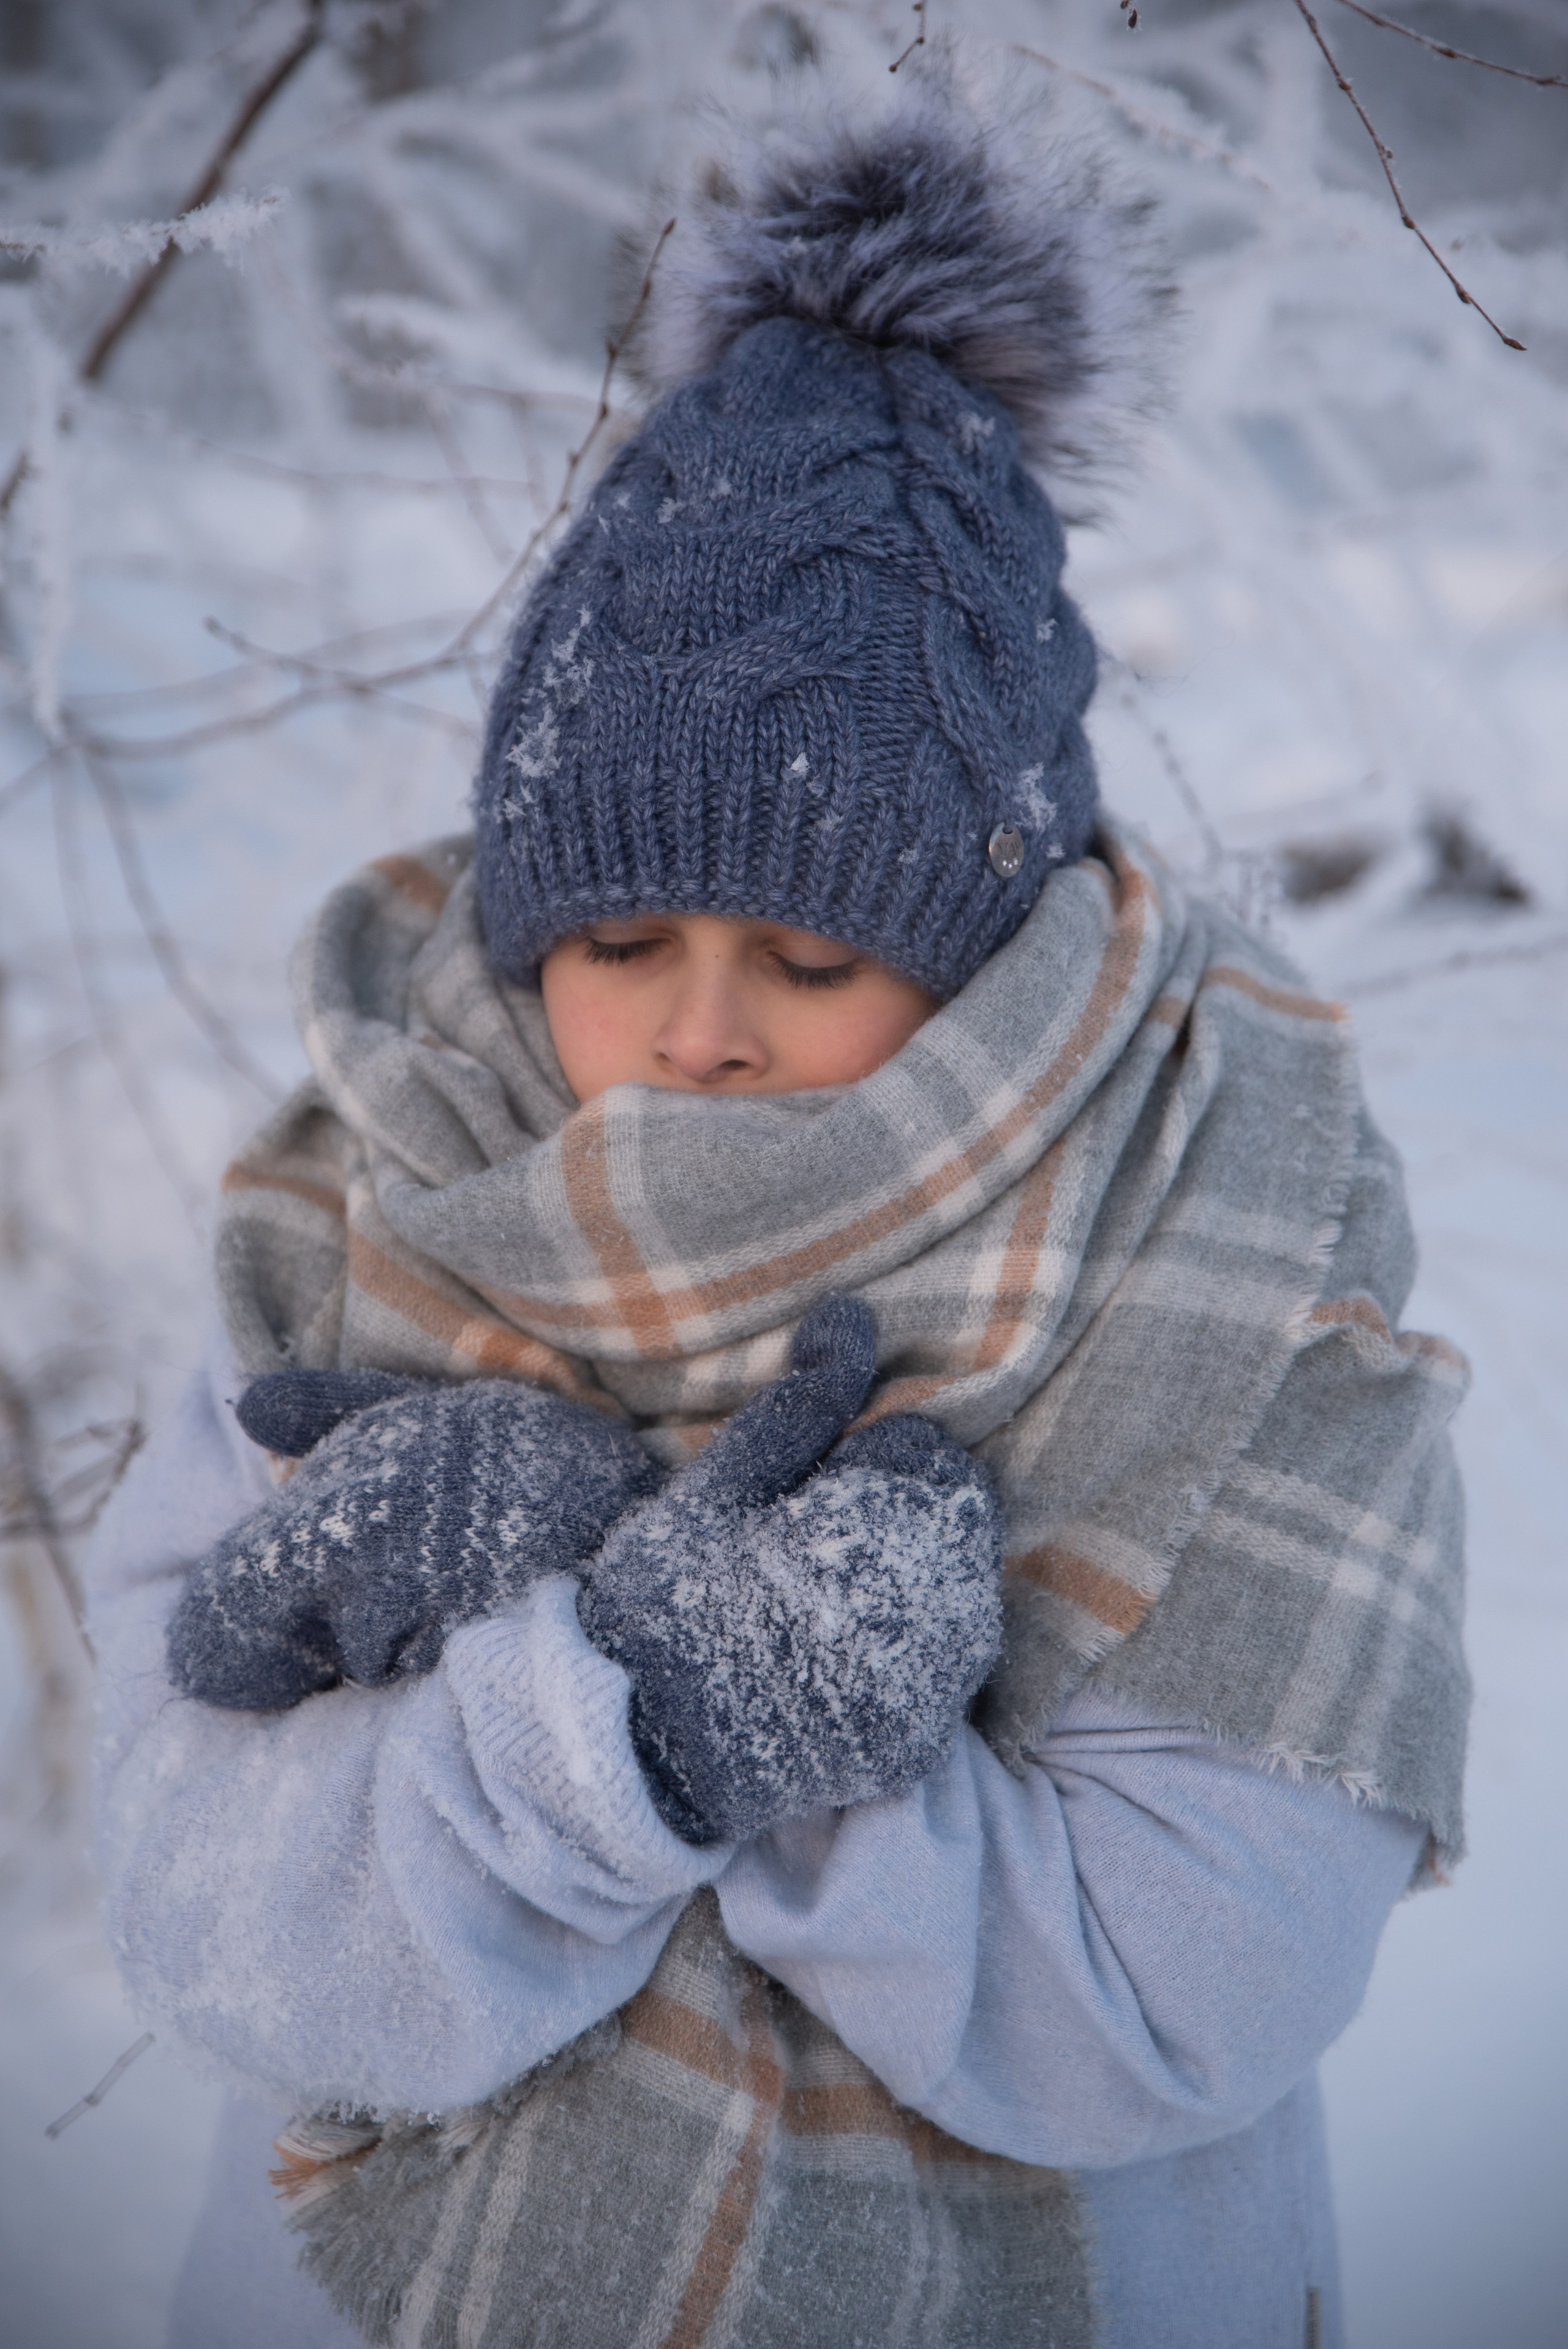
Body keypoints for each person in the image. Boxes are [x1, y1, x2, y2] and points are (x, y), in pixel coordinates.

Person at [87, 81, 1468, 2349]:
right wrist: (616, 1713)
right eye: (621, 939)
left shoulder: (1231, 1234)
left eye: (814, 961)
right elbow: (216, 1924)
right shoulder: (366, 1198)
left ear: (983, 934)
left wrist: (733, 1747)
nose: (699, 1035)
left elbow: (1190, 1987)